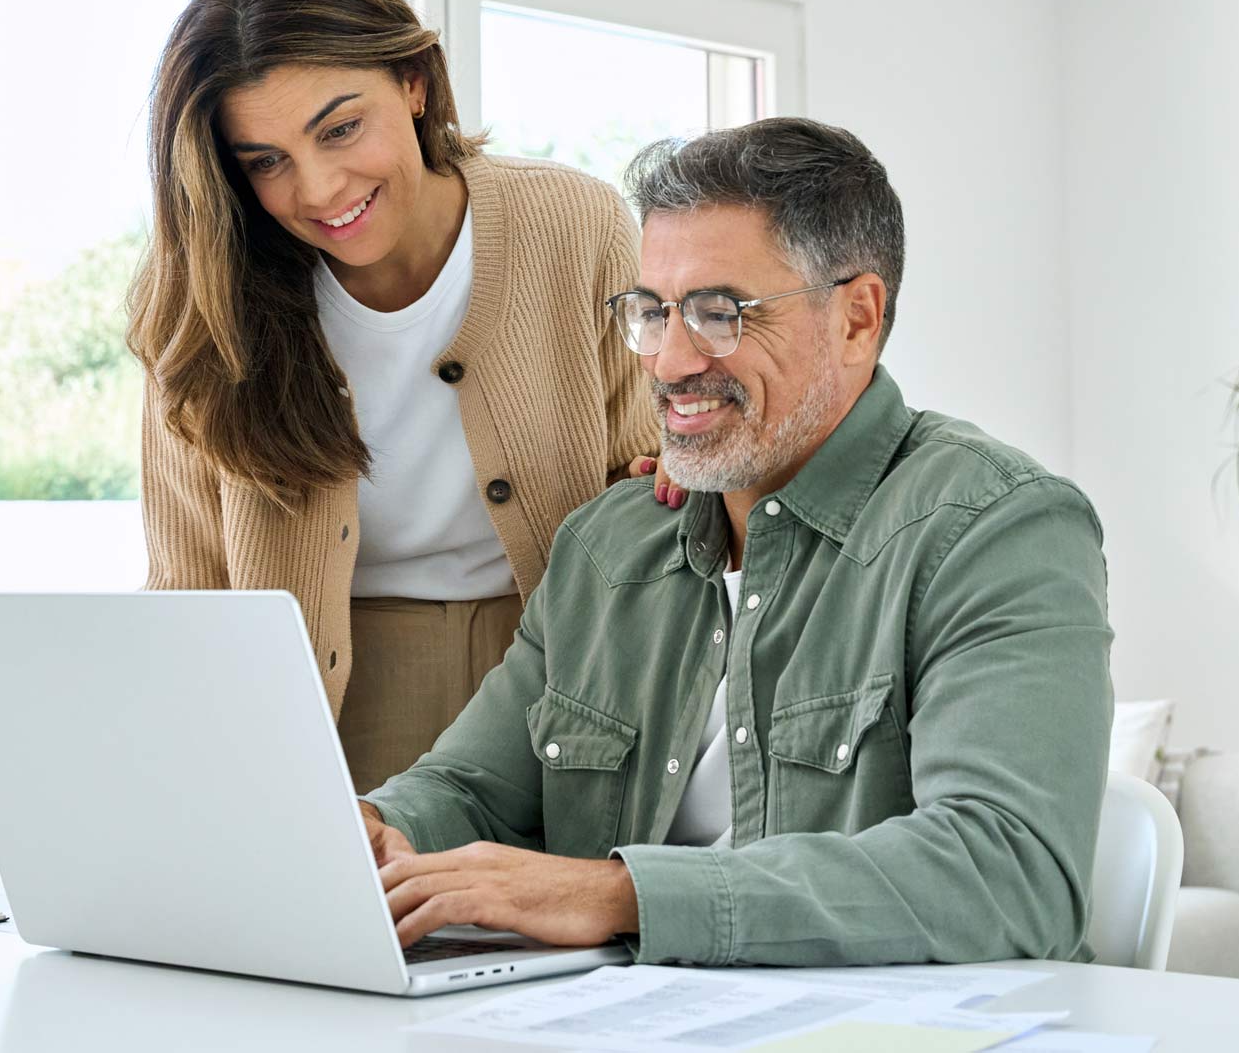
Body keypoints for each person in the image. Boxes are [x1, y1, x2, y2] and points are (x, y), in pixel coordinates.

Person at [359, 117, 1114, 966]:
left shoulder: (997, 526)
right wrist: (378, 829)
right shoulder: (608, 547)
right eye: (651, 311)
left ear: (857, 318)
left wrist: (618, 896)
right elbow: (470, 788)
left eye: (721, 313)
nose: (670, 360)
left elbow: (1010, 875)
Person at [128, 0, 666, 792]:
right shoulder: (203, 298)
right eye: (265, 162)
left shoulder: (578, 225)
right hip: (326, 704)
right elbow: (188, 584)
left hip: (559, 683)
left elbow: (647, 485)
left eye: (340, 128)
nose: (318, 190)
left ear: (413, 82)